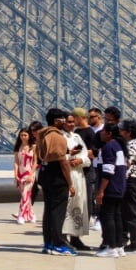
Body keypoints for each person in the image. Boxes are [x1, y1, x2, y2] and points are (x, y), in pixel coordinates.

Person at [36, 107, 77, 256]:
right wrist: (70, 183)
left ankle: (48, 243)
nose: (65, 122)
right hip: (57, 176)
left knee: (48, 211)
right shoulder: (58, 137)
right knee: (58, 212)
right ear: (56, 121)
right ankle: (58, 244)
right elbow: (63, 162)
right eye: (62, 119)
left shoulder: (42, 134)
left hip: (46, 174)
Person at [93, 122, 128, 258]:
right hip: (119, 186)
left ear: (109, 133)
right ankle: (119, 246)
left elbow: (108, 171)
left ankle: (111, 247)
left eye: (103, 132)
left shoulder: (108, 147)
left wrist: (101, 190)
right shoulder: (119, 146)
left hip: (110, 186)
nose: (100, 134)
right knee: (117, 216)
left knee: (107, 217)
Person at [62, 113, 92, 251]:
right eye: (69, 122)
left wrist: (80, 160)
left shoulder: (77, 137)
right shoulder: (60, 137)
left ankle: (75, 237)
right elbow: (57, 156)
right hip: (67, 175)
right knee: (67, 207)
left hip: (79, 174)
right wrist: (70, 158)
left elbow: (86, 156)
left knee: (78, 205)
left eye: (73, 122)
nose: (72, 124)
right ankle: (62, 237)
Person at [120, 118, 136, 255]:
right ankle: (127, 240)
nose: (120, 131)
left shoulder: (131, 146)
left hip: (130, 181)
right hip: (130, 180)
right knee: (127, 212)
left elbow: (126, 166)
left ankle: (135, 244)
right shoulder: (130, 143)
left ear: (128, 133)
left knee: (132, 213)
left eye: (122, 129)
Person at [13, 127, 36, 224]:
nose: (23, 137)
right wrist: (15, 175)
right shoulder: (18, 147)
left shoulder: (33, 147)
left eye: (25, 135)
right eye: (21, 135)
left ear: (29, 136)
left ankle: (21, 215)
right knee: (26, 195)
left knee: (25, 194)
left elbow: (35, 162)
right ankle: (31, 215)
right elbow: (16, 162)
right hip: (20, 173)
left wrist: (31, 175)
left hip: (30, 173)